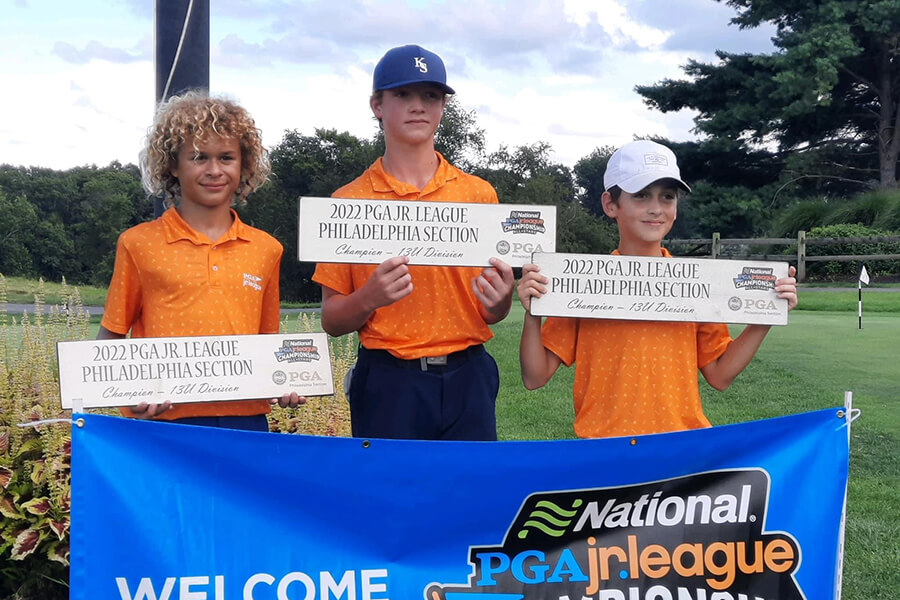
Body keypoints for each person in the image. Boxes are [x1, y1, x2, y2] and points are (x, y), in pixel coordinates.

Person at [517, 140, 799, 438]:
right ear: (610, 204)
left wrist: (765, 315)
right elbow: (535, 376)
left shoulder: (695, 283)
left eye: (667, 197)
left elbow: (720, 374)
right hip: (603, 449)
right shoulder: (580, 286)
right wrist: (534, 312)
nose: (656, 209)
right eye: (641, 195)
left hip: (680, 450)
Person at [312, 45, 514, 441]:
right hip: (389, 381)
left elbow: (491, 313)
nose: (418, 106)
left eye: (430, 96)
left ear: (442, 107)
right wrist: (368, 297)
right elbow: (332, 321)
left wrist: (501, 301)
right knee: (390, 500)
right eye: (402, 94)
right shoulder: (347, 203)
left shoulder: (478, 196)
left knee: (468, 498)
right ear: (377, 106)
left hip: (468, 376)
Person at [98, 91, 304, 431]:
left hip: (246, 422)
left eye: (226, 158)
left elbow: (270, 346)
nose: (214, 170)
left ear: (244, 164)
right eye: (198, 157)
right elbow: (110, 339)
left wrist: (290, 380)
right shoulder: (138, 243)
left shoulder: (267, 249)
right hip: (165, 423)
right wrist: (129, 396)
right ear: (173, 166)